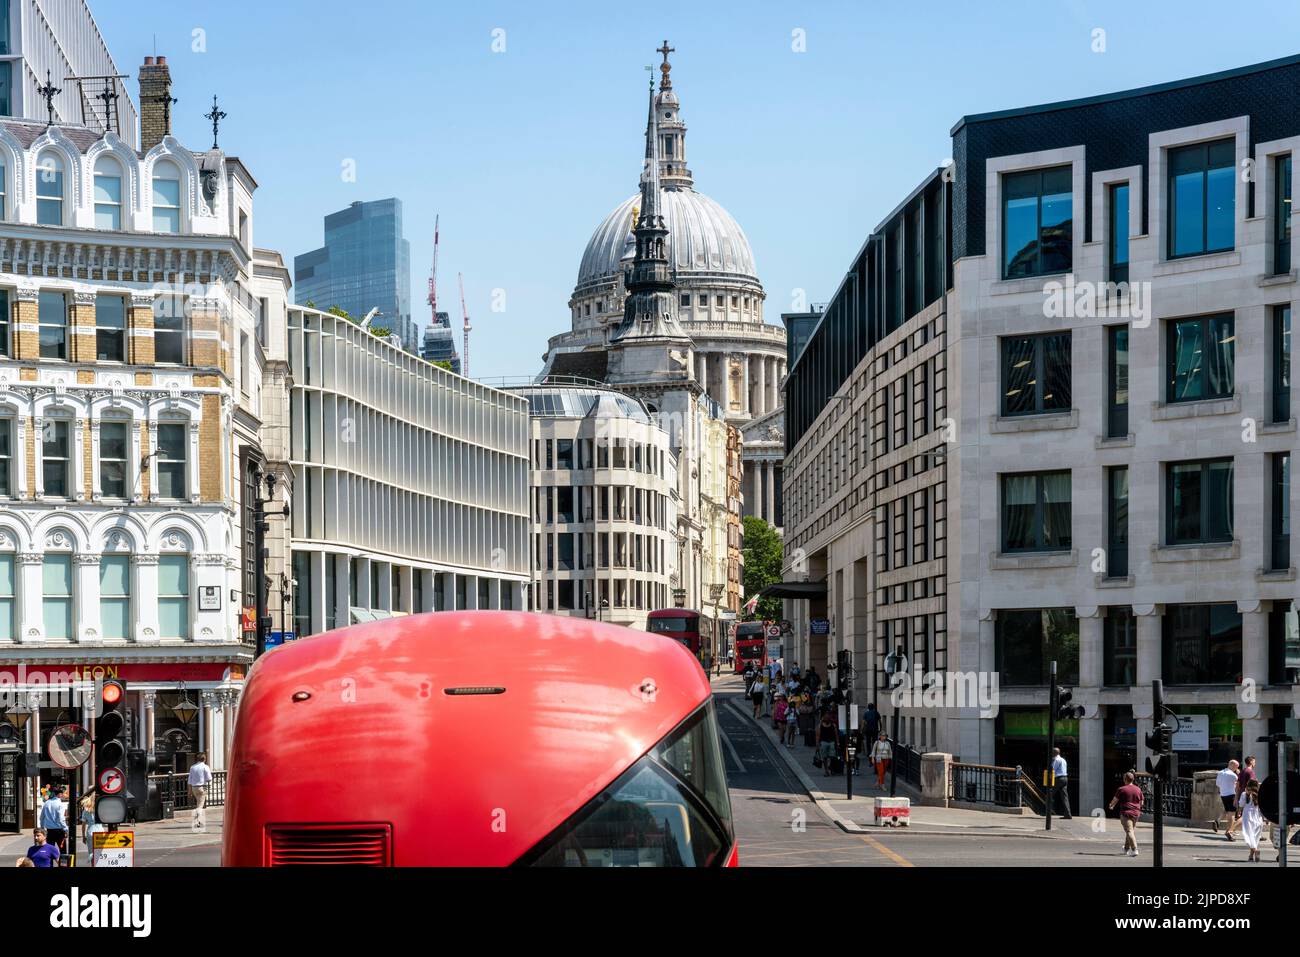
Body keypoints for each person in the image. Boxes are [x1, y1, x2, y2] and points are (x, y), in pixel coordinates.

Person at [1108, 771, 1145, 857]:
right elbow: (1142, 802)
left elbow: (1115, 800)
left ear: (1125, 779)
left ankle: (1135, 849)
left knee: (1129, 831)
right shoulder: (1138, 789)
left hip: (1126, 813)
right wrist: (1137, 808)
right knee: (1130, 831)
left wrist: (1111, 805)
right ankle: (1126, 849)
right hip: (1136, 813)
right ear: (1133, 779)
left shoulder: (1122, 789)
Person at [1213, 759, 1239, 839]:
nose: (1236, 768)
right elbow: (1238, 784)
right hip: (1231, 794)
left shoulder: (1221, 772)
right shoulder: (1233, 775)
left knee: (1228, 811)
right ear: (1232, 765)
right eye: (1236, 767)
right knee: (1232, 814)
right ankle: (1229, 831)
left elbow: (1218, 784)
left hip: (1223, 794)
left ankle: (1220, 821)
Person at [1240, 778, 1264, 862]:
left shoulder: (1244, 794)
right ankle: (1251, 855)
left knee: (1249, 835)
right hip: (1258, 817)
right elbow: (1262, 808)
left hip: (1248, 816)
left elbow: (1241, 804)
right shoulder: (1260, 794)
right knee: (1255, 837)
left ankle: (1255, 850)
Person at [38, 786, 67, 853]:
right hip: (59, 830)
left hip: (49, 831)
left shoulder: (47, 803)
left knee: (49, 851)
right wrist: (66, 829)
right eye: (62, 794)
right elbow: (61, 819)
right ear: (60, 794)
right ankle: (62, 863)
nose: (63, 795)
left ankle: (49, 864)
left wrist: (42, 828)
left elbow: (41, 818)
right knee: (63, 851)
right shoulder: (60, 804)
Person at [189, 752, 213, 818]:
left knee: (198, 802)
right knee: (200, 804)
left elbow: (190, 780)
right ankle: (197, 818)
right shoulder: (205, 767)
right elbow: (209, 778)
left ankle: (197, 820)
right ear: (204, 759)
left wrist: (189, 791)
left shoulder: (192, 767)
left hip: (194, 787)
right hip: (202, 787)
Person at [1050, 748, 1072, 820]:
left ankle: (1047, 812)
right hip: (1065, 778)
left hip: (1058, 779)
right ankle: (1068, 814)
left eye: (1052, 752)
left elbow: (1052, 769)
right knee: (1065, 797)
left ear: (1054, 753)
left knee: (1049, 794)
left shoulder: (1056, 760)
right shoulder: (1063, 760)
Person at [816, 712, 839, 777]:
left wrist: (837, 743)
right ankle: (826, 771)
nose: (827, 719)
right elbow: (818, 735)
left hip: (831, 742)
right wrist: (817, 744)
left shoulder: (833, 725)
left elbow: (836, 734)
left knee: (832, 756)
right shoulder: (820, 725)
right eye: (826, 718)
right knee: (824, 757)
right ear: (823, 718)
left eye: (828, 718)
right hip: (823, 742)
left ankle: (830, 767)